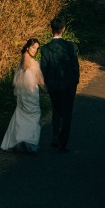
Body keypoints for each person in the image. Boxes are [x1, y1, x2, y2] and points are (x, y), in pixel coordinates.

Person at [39, 16, 80, 153]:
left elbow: (43, 68)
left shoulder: (45, 49)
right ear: (63, 29)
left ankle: (55, 135)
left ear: (51, 29)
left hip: (53, 85)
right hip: (68, 84)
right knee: (67, 113)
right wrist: (76, 80)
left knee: (56, 110)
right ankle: (63, 142)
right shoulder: (70, 46)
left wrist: (45, 84)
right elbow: (75, 65)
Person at [0, 37, 44, 154]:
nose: (35, 50)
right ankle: (28, 140)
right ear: (28, 47)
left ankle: (18, 140)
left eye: (37, 49)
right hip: (29, 94)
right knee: (34, 115)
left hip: (25, 94)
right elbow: (33, 74)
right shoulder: (29, 60)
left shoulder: (25, 58)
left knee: (21, 115)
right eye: (33, 47)